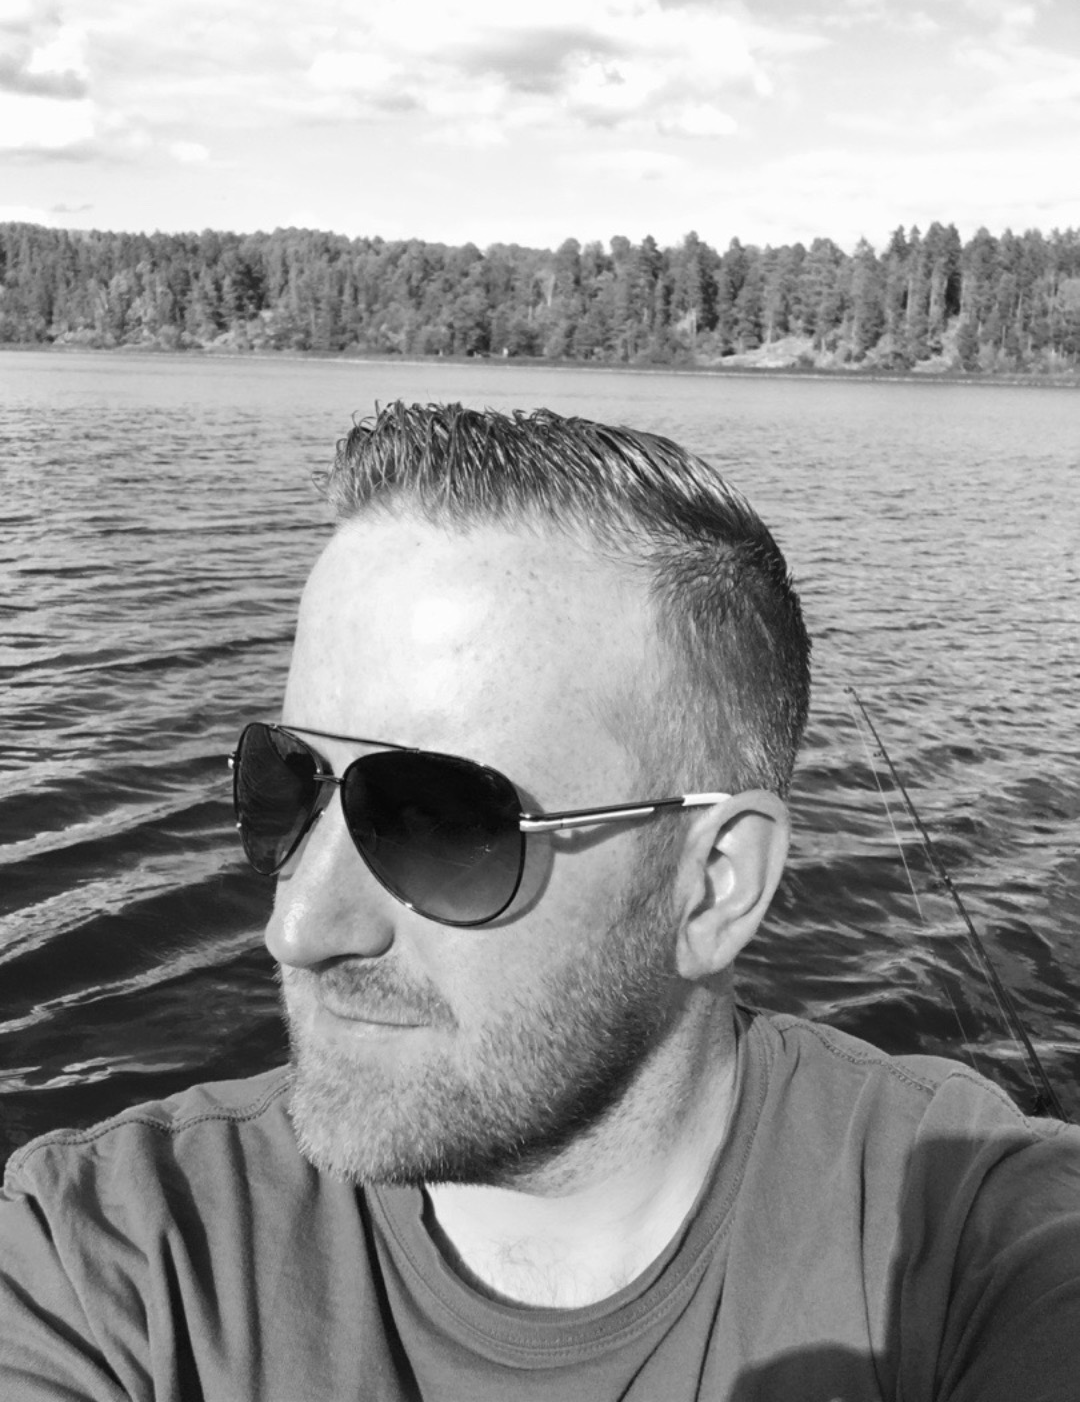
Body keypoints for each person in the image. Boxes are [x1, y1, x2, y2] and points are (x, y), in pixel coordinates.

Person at [1, 402, 1078, 1401]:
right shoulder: (113, 1256)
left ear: (715, 884)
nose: (297, 926)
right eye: (284, 786)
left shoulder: (969, 1246)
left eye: (435, 821)